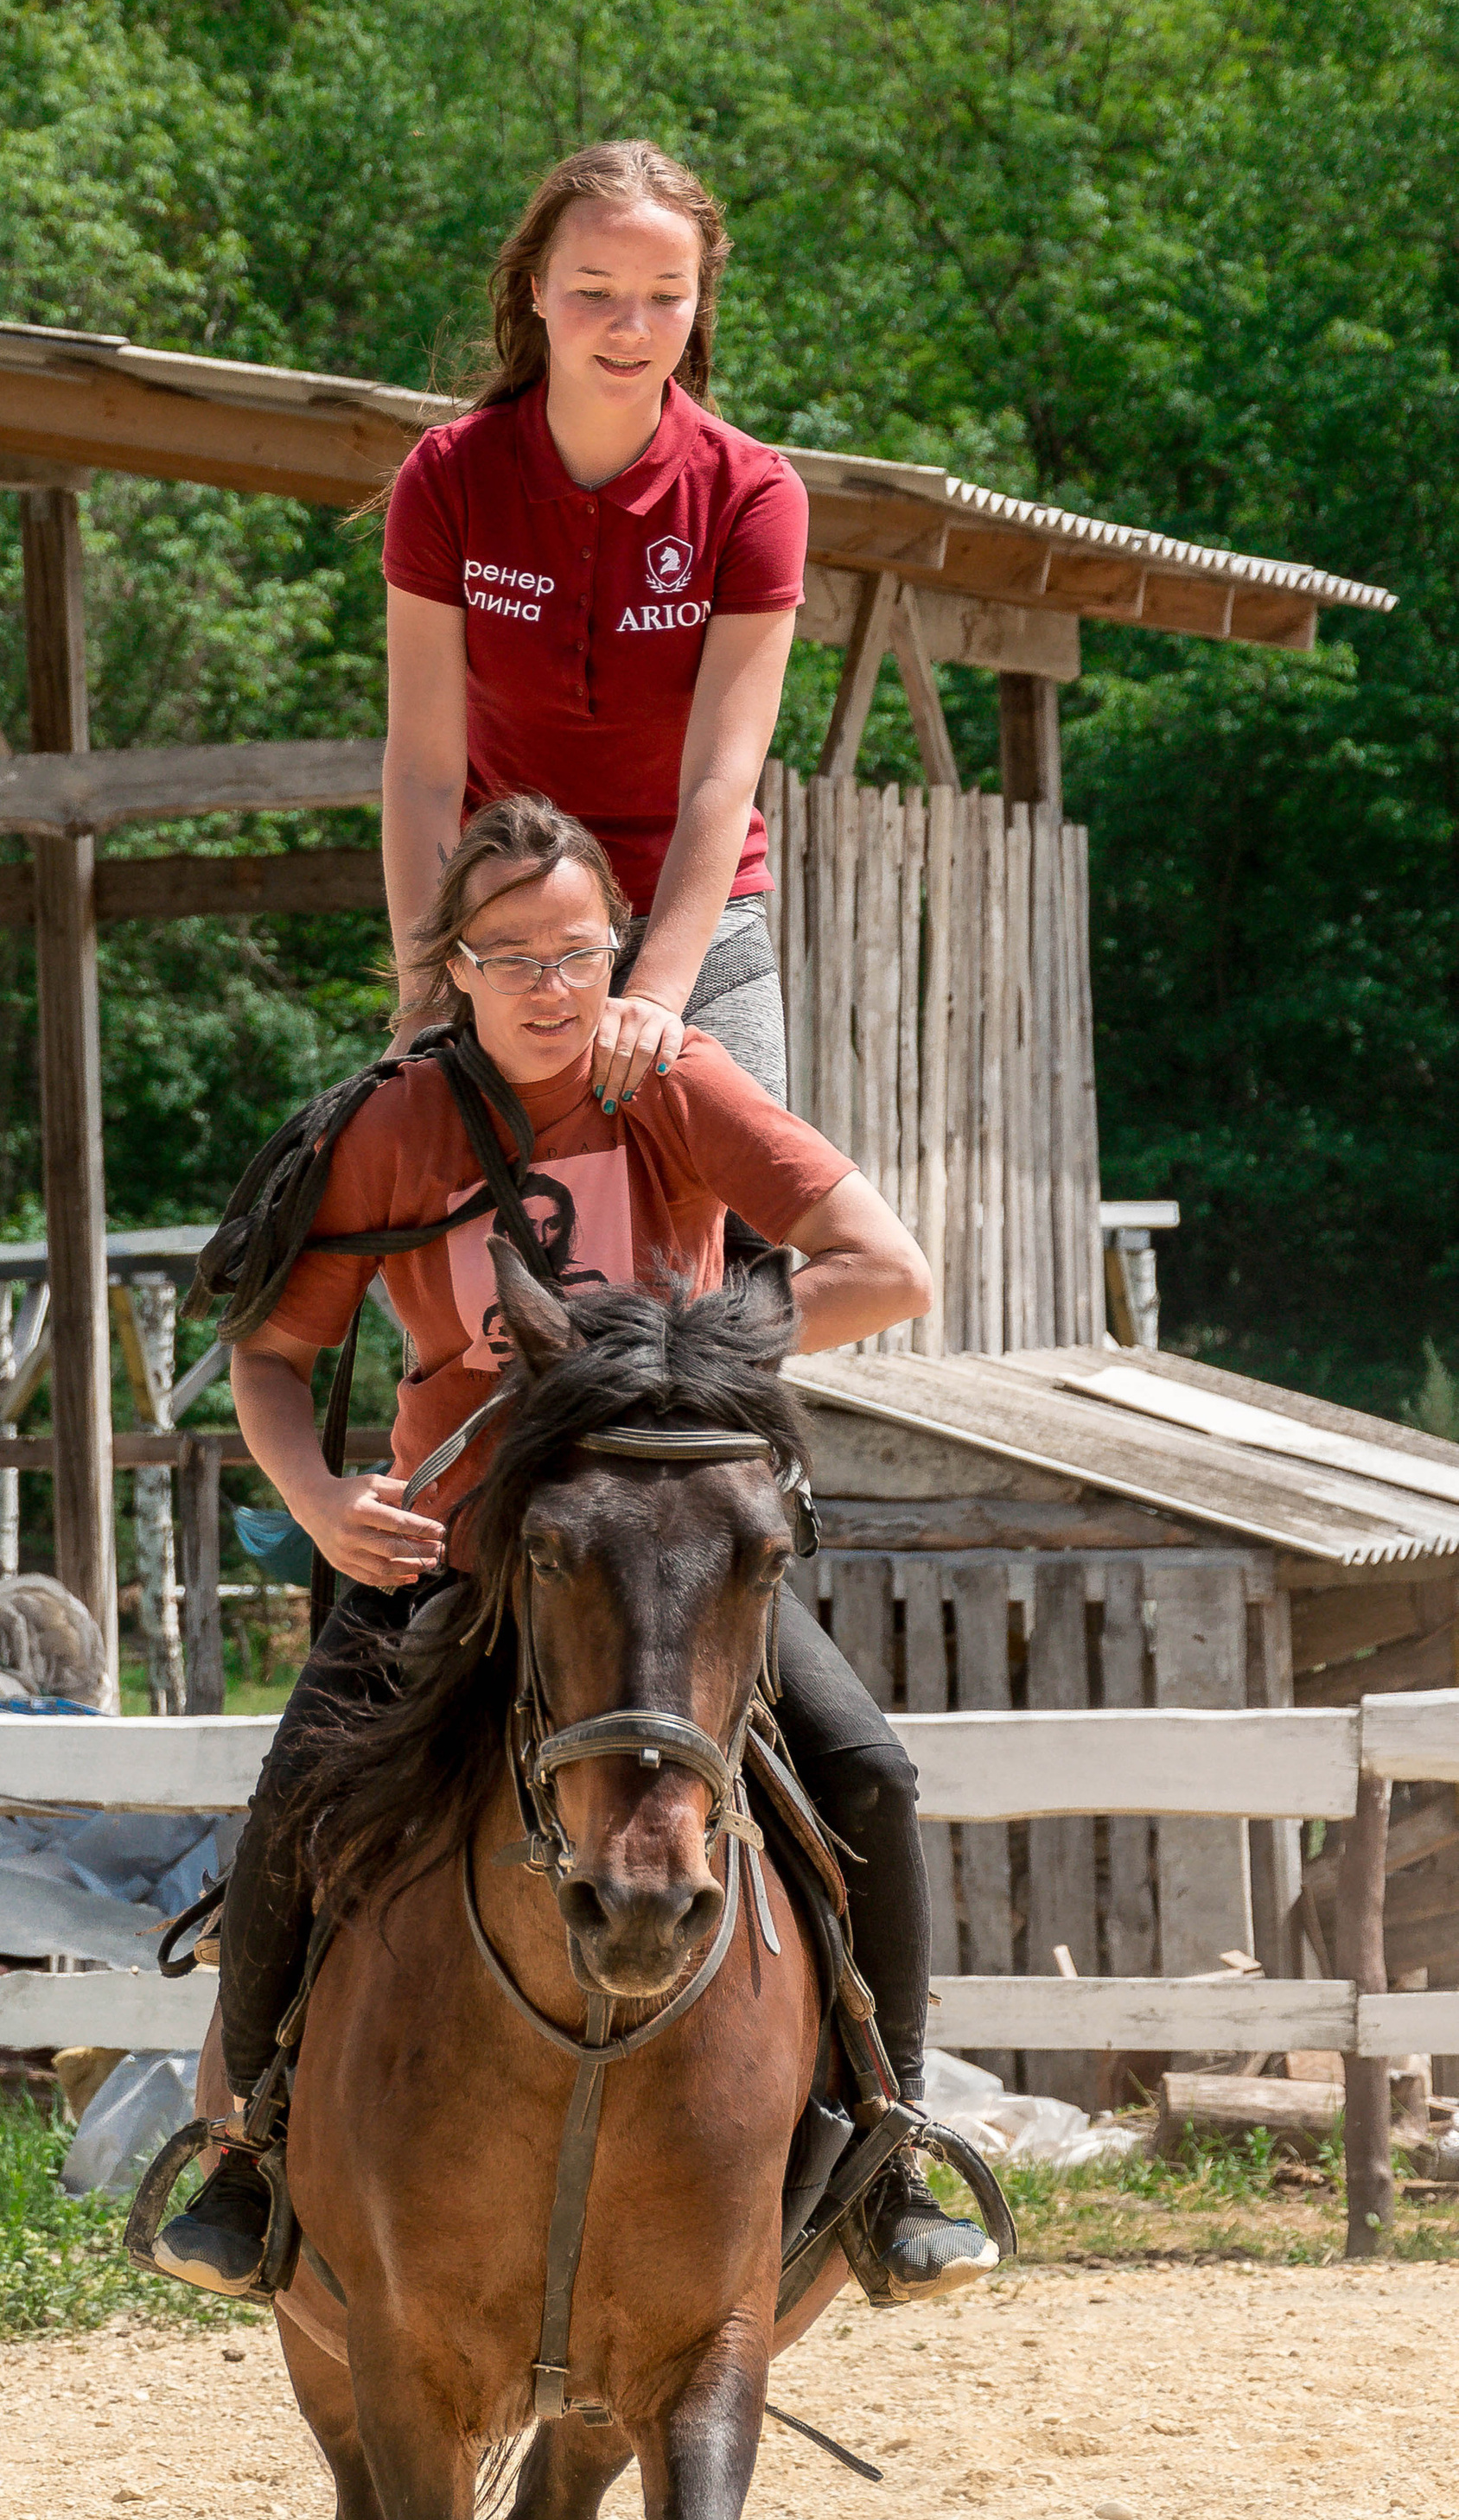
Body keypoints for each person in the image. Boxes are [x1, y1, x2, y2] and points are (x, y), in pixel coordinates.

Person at [156, 794, 999, 2306]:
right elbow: (271, 1357)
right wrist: (318, 1499)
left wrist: (690, 1359)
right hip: (445, 1542)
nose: (554, 984)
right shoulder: (391, 1124)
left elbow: (893, 1270)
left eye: (579, 949)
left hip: (656, 1554)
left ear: (620, 951)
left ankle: (889, 2152)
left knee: (864, 1764)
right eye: (514, 956)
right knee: (292, 1799)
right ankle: (251, 2157)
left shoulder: (678, 1080)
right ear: (453, 970)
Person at [381, 137, 804, 1114]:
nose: (631, 326)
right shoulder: (447, 477)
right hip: (501, 934)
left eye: (666, 293)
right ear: (534, 290)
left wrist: (654, 992)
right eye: (594, 290)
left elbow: (720, 775)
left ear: (701, 301)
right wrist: (424, 990)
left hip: (694, 926)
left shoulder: (753, 494)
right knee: (412, 1224)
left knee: (762, 1245)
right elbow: (422, 773)